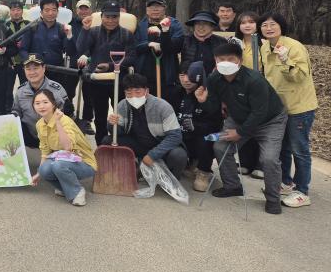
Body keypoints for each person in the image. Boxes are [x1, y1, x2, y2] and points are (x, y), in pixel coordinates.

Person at [194, 42, 287, 215]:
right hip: (237, 117)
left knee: (269, 159)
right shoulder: (214, 78)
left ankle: (273, 199)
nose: (226, 62)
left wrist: (240, 133)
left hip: (270, 121)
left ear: (240, 60)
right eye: (221, 59)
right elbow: (213, 106)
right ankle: (233, 186)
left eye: (231, 59)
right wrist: (203, 101)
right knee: (220, 146)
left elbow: (260, 113)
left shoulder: (254, 80)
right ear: (215, 60)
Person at [259, 12, 317, 208]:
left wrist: (285, 61)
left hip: (299, 106)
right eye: (264, 25)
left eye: (272, 24)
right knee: (282, 147)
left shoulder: (294, 47)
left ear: (281, 27)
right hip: (278, 107)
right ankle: (285, 182)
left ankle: (302, 191)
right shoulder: (265, 46)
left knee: (299, 149)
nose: (268, 28)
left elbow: (300, 77)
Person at [76, 1, 136, 143]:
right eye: (107, 17)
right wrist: (84, 29)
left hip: (120, 81)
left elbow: (132, 58)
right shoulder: (93, 32)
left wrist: (110, 66)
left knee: (121, 115)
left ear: (119, 17)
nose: (110, 20)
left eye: (114, 17)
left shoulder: (126, 34)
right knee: (100, 117)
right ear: (101, 16)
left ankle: (121, 143)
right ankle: (101, 146)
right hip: (98, 81)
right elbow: (80, 48)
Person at [107, 73, 188, 179]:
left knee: (179, 155)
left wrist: (152, 155)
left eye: (138, 92)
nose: (133, 96)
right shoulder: (122, 105)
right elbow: (118, 134)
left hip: (160, 145)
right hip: (139, 145)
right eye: (129, 93)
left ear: (146, 91)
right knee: (107, 141)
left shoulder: (163, 106)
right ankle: (135, 168)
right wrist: (111, 124)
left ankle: (171, 179)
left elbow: (175, 136)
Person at [30, 89, 97, 206]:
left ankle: (77, 192)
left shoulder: (64, 120)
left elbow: (67, 147)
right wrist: (38, 174)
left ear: (53, 104)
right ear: (33, 106)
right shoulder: (40, 124)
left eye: (45, 102)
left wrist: (57, 122)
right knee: (44, 169)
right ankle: (66, 187)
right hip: (64, 159)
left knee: (58, 165)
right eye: (37, 103)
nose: (41, 106)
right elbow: (45, 151)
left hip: (84, 162)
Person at [177, 62, 223, 192]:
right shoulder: (174, 93)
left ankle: (203, 171)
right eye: (182, 75)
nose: (186, 80)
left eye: (189, 75)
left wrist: (195, 126)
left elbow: (215, 125)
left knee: (205, 139)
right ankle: (188, 164)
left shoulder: (207, 94)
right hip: (178, 136)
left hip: (200, 138)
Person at [133, 0, 184, 111]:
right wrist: (148, 44)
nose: (155, 9)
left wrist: (162, 41)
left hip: (167, 77)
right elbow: (134, 47)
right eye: (151, 7)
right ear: (146, 9)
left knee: (167, 110)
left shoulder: (174, 25)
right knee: (145, 111)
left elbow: (177, 46)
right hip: (144, 77)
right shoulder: (140, 26)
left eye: (158, 6)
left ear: (164, 8)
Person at [12, 54, 72, 148]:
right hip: (29, 139)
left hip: (54, 139)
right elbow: (16, 112)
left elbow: (68, 117)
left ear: (44, 68)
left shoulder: (57, 89)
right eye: (28, 69)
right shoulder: (21, 91)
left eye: (35, 68)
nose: (32, 72)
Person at [19, 0, 73, 92]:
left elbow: (71, 52)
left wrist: (69, 36)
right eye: (47, 10)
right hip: (35, 73)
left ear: (57, 12)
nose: (50, 13)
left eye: (53, 10)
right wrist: (30, 64)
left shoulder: (62, 29)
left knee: (54, 101)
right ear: (41, 12)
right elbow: (23, 49)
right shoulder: (32, 28)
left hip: (56, 73)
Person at [235, 11, 263, 178]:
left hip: (260, 89)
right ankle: (245, 162)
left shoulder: (263, 44)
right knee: (243, 124)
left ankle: (261, 164)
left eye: (251, 22)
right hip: (241, 89)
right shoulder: (237, 43)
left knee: (260, 126)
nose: (247, 25)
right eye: (243, 22)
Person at [67, 0, 95, 129]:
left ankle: (87, 120)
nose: (83, 11)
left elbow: (96, 43)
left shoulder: (96, 23)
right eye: (81, 9)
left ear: (90, 10)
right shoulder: (70, 23)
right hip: (73, 61)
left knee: (88, 94)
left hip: (90, 62)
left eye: (86, 8)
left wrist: (88, 56)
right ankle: (69, 114)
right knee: (69, 91)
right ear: (76, 10)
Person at [6, 1, 30, 89]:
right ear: (10, 12)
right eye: (13, 10)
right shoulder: (5, 25)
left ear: (22, 11)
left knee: (26, 89)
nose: (16, 12)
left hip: (25, 63)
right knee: (7, 91)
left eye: (18, 10)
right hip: (10, 63)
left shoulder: (29, 24)